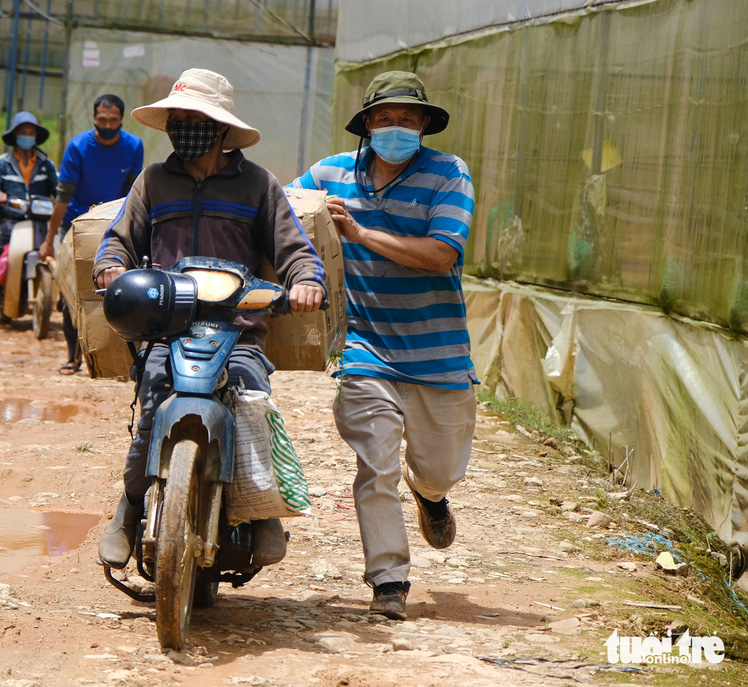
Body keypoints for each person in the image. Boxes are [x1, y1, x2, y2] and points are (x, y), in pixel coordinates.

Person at [94, 68, 326, 570]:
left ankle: (264, 513)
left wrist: (306, 282)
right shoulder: (153, 181)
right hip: (166, 325)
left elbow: (295, 251)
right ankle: (129, 508)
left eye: (194, 118)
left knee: (250, 404)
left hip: (237, 328)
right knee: (153, 404)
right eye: (176, 118)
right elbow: (118, 239)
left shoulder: (259, 185)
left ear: (220, 126)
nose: (183, 126)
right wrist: (110, 266)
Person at [289, 71, 477, 621]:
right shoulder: (329, 173)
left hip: (438, 355)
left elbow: (443, 254)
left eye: (408, 119)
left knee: (440, 469)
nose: (396, 127)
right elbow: (282, 210)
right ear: (367, 124)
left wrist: (362, 234)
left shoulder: (449, 174)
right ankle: (388, 579)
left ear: (424, 126)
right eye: (386, 118)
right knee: (375, 465)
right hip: (365, 347)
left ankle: (432, 496)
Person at [38, 94, 143, 375]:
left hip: (112, 226)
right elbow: (63, 196)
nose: (107, 125)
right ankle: (72, 357)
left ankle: (120, 358)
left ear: (121, 119)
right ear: (94, 119)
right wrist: (49, 241)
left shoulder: (133, 147)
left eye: (113, 120)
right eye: (101, 120)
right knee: (70, 293)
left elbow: (133, 195)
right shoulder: (78, 147)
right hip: (75, 224)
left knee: (120, 289)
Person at [0, 111, 58, 318]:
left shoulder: (47, 164)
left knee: (61, 249)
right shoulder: (1, 163)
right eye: (23, 132)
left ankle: (62, 298)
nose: (28, 136)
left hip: (41, 221)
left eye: (31, 133)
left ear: (36, 137)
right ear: (15, 136)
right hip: (12, 220)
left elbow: (59, 190)